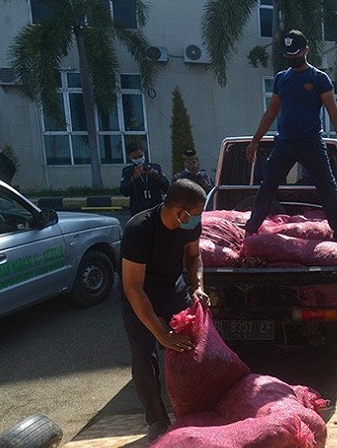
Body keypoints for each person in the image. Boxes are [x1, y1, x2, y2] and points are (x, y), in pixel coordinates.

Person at [119, 179, 210, 443]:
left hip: (173, 290)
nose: (198, 220)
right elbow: (133, 288)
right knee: (144, 355)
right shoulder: (139, 229)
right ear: (180, 213)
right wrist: (161, 334)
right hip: (139, 294)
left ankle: (192, 409)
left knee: (190, 349)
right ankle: (157, 419)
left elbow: (194, 257)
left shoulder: (189, 224)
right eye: (195, 214)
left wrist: (197, 287)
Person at [243, 29, 337, 244]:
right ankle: (251, 228)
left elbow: (334, 113)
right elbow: (271, 112)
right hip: (284, 143)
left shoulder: (319, 79)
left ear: (305, 50)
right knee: (268, 185)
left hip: (311, 143)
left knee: (327, 186)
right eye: (288, 54)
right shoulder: (281, 79)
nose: (292, 58)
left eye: (296, 53)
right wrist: (255, 141)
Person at [120, 141, 170, 217]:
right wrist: (134, 178)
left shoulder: (155, 167)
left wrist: (156, 175)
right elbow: (124, 192)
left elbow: (166, 187)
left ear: (144, 153)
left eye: (140, 156)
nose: (138, 159)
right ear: (129, 157)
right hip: (137, 210)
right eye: (134, 158)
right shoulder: (127, 171)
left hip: (156, 208)